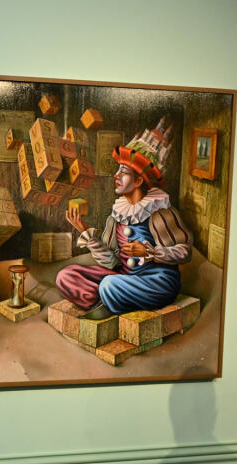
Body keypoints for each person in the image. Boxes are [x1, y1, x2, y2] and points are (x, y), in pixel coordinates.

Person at [57, 119, 192, 319]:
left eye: (124, 172)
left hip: (157, 283)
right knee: (65, 276)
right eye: (118, 169)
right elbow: (112, 262)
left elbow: (184, 252)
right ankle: (110, 300)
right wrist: (85, 231)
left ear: (138, 181)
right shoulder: (117, 216)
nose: (116, 175)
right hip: (124, 278)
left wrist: (149, 252)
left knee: (109, 285)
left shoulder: (160, 212)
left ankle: (109, 300)